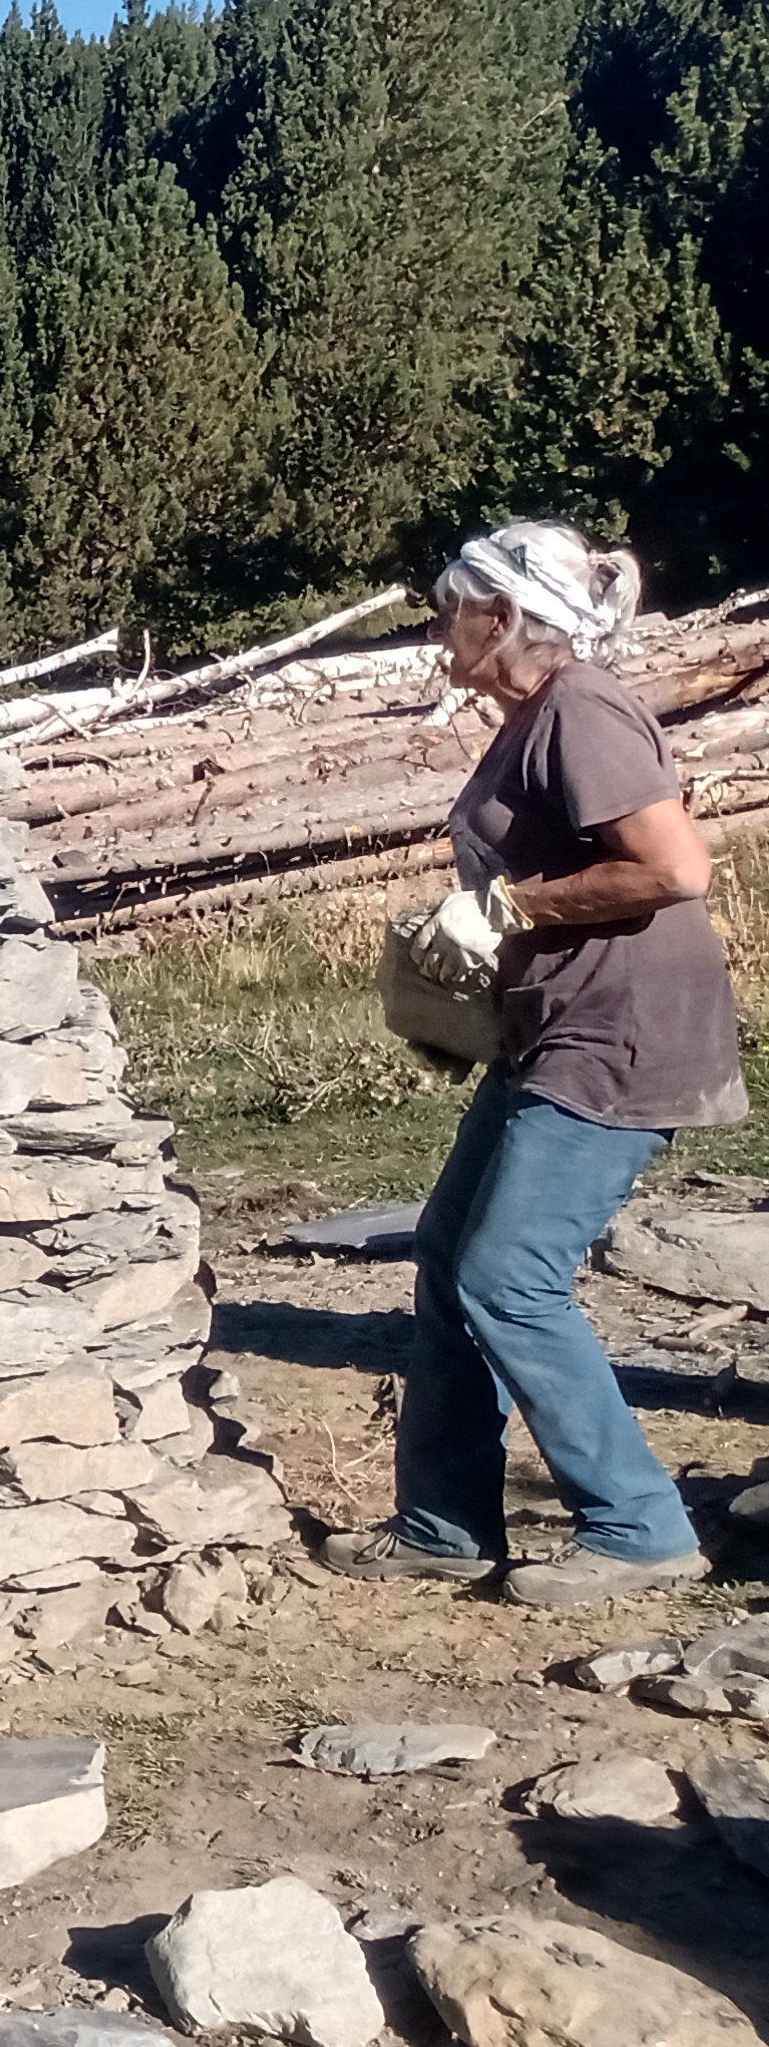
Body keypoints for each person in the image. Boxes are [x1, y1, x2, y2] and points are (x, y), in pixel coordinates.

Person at [310, 523, 741, 1607]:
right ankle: (442, 1524)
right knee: (451, 1258)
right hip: (550, 1029)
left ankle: (638, 1525)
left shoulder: (584, 711)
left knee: (509, 1277)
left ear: (499, 616)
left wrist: (505, 906)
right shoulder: (535, 715)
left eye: (448, 603)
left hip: (619, 1035)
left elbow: (673, 868)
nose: (433, 623)